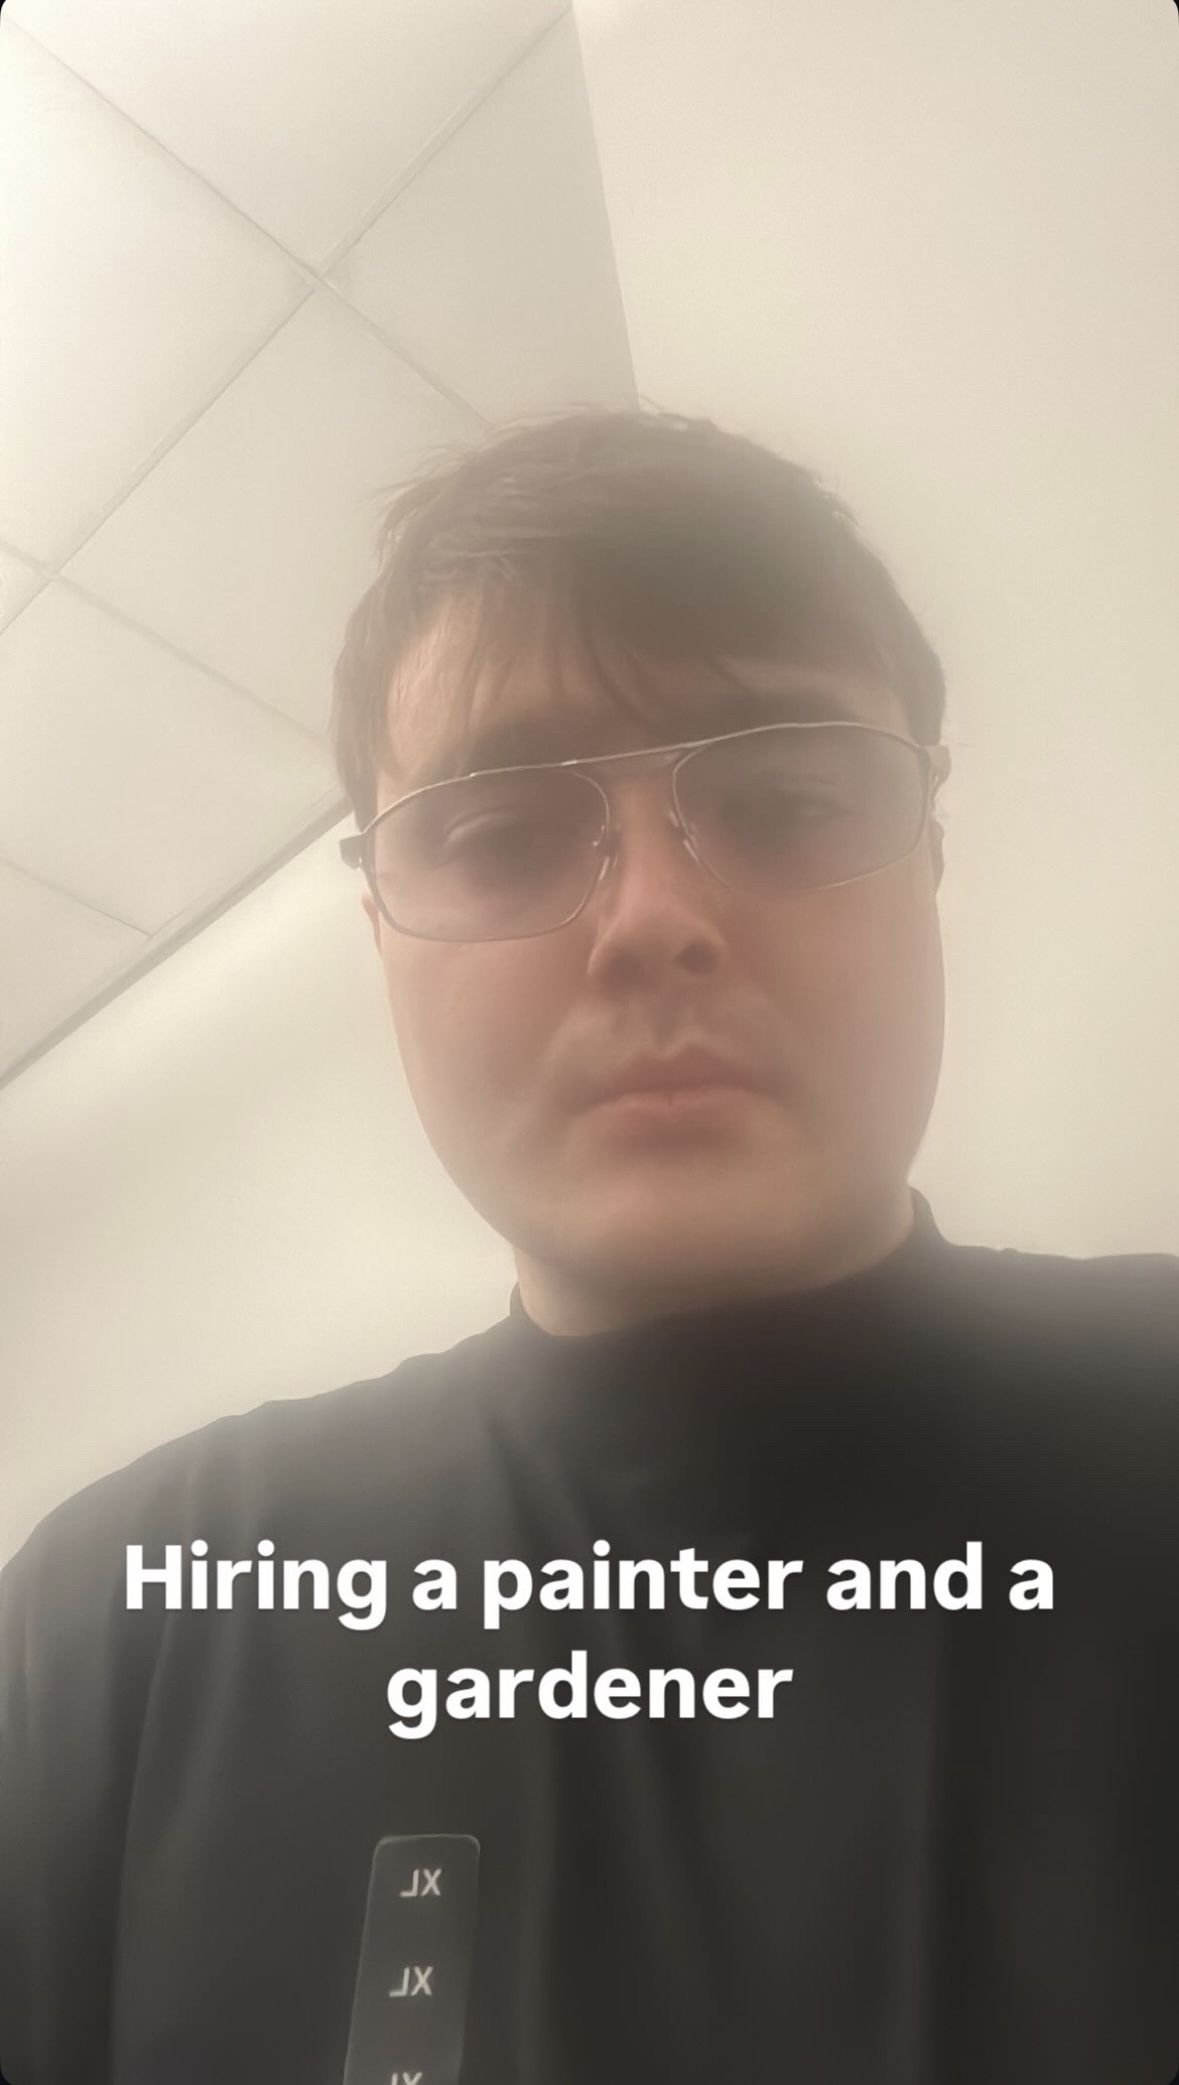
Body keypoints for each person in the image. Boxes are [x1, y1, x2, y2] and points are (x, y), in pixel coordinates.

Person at [1, 407, 1177, 2085]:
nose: (657, 922)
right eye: (502, 836)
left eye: (787, 800)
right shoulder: (120, 1629)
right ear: (382, 928)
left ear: (926, 854)